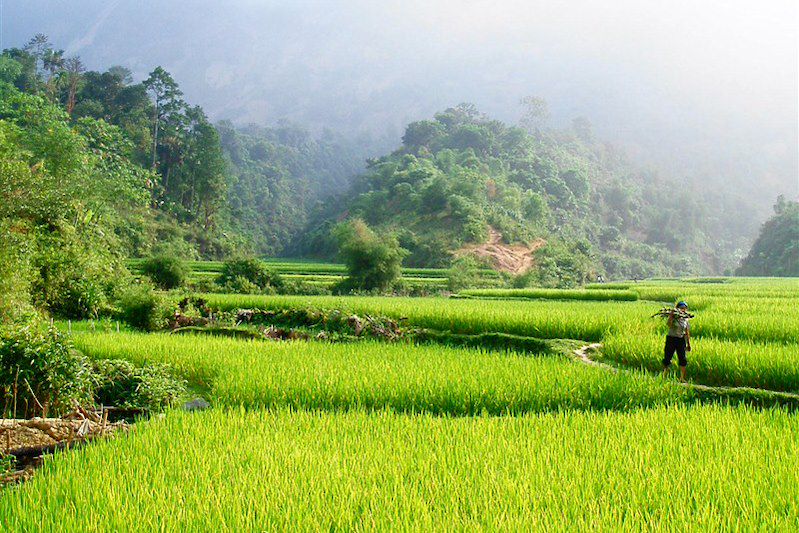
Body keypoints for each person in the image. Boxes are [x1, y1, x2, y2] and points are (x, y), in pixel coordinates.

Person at [662, 301, 691, 381]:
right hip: (671, 339)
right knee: (667, 358)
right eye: (681, 308)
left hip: (681, 340)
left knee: (683, 359)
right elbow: (669, 325)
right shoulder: (674, 317)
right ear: (677, 309)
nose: (683, 310)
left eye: (684, 308)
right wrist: (671, 316)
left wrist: (688, 344)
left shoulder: (686, 319)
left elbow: (687, 332)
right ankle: (664, 376)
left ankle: (682, 378)